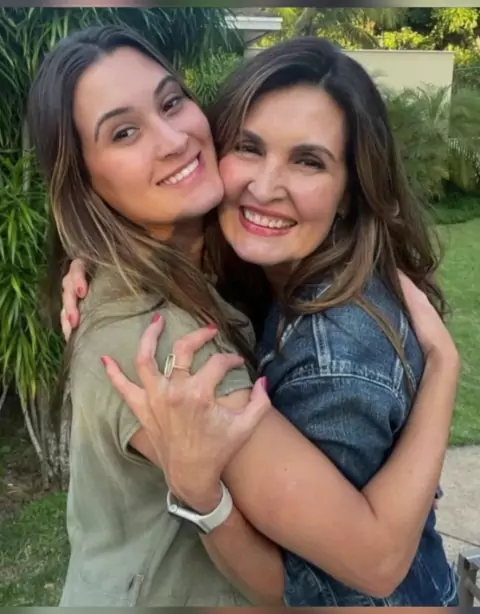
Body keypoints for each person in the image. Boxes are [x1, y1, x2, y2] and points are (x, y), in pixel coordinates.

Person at [43, 29, 459, 607]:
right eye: (124, 132)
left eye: (171, 103)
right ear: (85, 180)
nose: (172, 140)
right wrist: (443, 370)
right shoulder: (168, 351)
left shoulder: (227, 273)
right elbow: (367, 563)